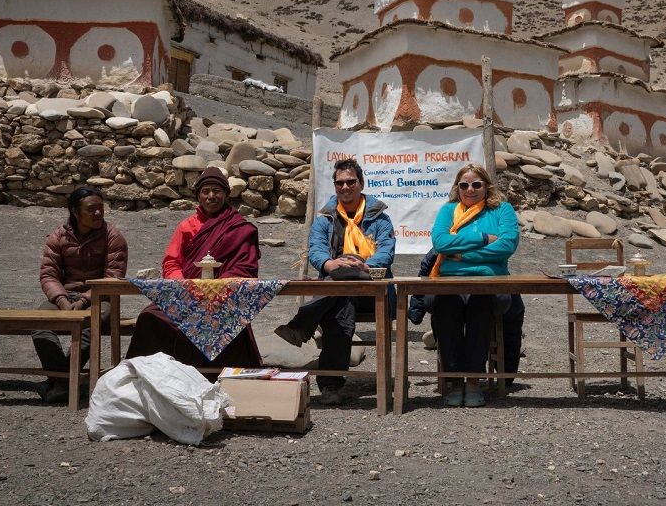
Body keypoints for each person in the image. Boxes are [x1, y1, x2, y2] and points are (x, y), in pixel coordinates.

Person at [274, 158, 396, 405]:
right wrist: (329, 264)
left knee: (347, 275)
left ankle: (301, 326)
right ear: (334, 186)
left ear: (361, 183)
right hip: (339, 292)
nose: (345, 187)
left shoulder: (380, 218)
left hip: (374, 290)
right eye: (340, 183)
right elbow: (316, 249)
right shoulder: (325, 218)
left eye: (351, 181)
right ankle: (330, 385)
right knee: (342, 302)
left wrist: (364, 265)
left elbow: (386, 252)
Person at [126, 166, 263, 371]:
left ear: (225, 194)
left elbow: (245, 266)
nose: (211, 196)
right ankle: (150, 374)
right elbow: (172, 262)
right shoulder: (187, 226)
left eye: (216, 191)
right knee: (149, 316)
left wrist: (215, 289)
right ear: (198, 195)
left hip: (223, 296)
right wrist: (184, 285)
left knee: (226, 322)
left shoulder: (239, 228)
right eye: (205, 191)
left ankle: (219, 374)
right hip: (185, 293)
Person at [428, 163, 519, 407]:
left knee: (480, 306)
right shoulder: (448, 211)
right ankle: (455, 381)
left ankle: (474, 382)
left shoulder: (502, 210)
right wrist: (481, 239)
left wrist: (462, 255)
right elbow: (440, 243)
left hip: (490, 283)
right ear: (457, 188)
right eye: (464, 185)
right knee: (446, 309)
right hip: (450, 283)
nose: (470, 189)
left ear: (486, 187)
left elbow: (506, 246)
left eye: (476, 184)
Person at [33, 186, 127, 403]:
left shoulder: (112, 236)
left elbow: (113, 277)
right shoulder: (59, 236)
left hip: (101, 297)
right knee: (39, 324)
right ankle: (65, 381)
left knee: (92, 324)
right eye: (91, 209)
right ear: (75, 212)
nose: (98, 214)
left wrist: (86, 299)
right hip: (66, 296)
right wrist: (61, 299)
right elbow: (48, 274)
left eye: (100, 208)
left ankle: (59, 382)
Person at [409, 247, 525, 386]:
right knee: (445, 304)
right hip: (450, 293)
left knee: (483, 307)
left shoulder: (493, 236)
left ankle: (476, 380)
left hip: (486, 293)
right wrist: (418, 308)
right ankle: (455, 380)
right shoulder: (449, 236)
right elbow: (429, 264)